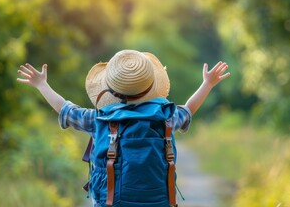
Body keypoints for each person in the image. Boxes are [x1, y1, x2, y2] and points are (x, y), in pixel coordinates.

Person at [17, 49, 230, 206]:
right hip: (159, 201)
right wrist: (207, 83)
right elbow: (188, 109)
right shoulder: (167, 117)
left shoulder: (99, 120)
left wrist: (41, 84)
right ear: (151, 86)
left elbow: (66, 110)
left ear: (110, 90)